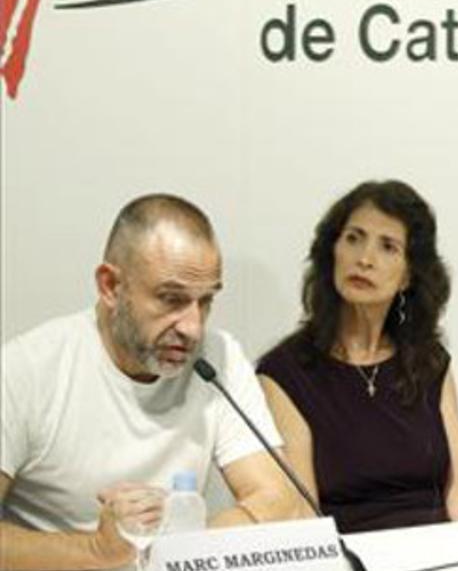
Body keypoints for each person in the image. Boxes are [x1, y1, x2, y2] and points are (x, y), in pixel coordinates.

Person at [0, 194, 300, 571]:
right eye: (171, 299)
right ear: (110, 286)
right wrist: (96, 552)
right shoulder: (25, 371)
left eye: (205, 301)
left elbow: (277, 500)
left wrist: (173, 553)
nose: (192, 327)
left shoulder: (218, 357)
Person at [257, 180, 458, 533]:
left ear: (408, 275)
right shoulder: (286, 373)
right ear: (331, 250)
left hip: (442, 554)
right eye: (353, 238)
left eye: (387, 247)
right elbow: (302, 516)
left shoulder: (428, 362)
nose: (364, 259)